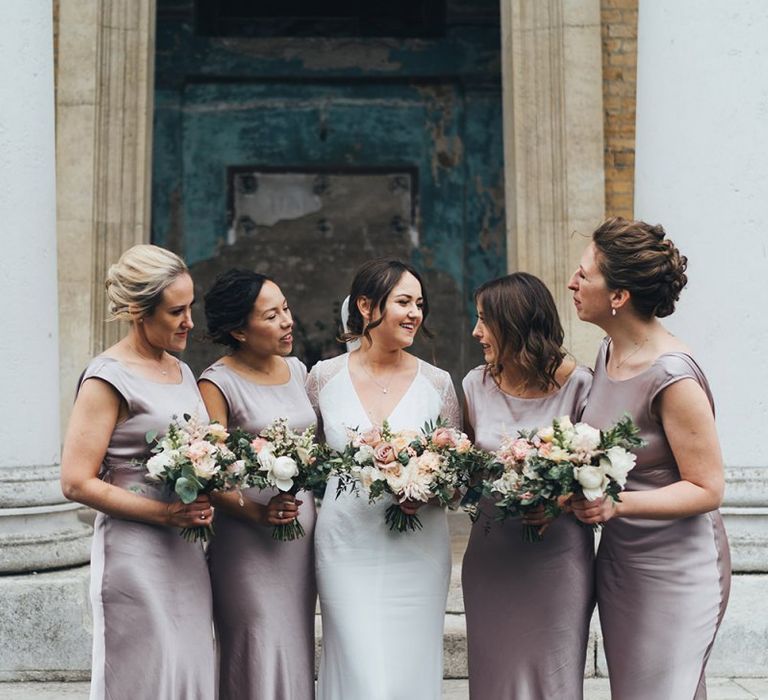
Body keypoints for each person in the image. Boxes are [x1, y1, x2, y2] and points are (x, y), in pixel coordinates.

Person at [568, 217, 730, 699]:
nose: (573, 282)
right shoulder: (606, 352)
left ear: (618, 296)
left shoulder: (673, 377)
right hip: (621, 566)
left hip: (678, 571)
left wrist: (619, 506)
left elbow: (708, 487)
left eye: (585, 274)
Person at [60, 244, 215, 699]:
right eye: (176, 311)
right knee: (144, 675)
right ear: (136, 311)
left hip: (187, 552)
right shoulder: (108, 377)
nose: (189, 321)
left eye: (191, 308)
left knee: (187, 669)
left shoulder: (183, 372)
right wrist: (163, 514)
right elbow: (75, 480)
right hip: (134, 554)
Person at [306, 258, 460, 700]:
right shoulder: (323, 378)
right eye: (404, 302)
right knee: (360, 669)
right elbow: (310, 464)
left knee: (409, 665)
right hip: (345, 544)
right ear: (367, 306)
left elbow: (457, 472)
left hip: (418, 548)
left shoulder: (438, 384)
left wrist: (427, 487)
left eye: (420, 304)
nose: (415, 313)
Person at [461, 272, 594, 699]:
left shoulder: (582, 385)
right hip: (491, 552)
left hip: (558, 555)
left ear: (514, 323)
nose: (475, 331)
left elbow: (598, 472)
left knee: (553, 674)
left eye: (484, 320)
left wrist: (558, 501)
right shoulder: (474, 385)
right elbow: (466, 470)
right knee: (494, 675)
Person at [198, 269, 316, 700]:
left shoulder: (298, 369)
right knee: (256, 643)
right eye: (271, 316)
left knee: (293, 642)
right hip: (245, 542)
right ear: (238, 331)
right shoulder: (217, 382)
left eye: (285, 309)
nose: (287, 321)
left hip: (299, 538)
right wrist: (256, 511)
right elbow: (205, 471)